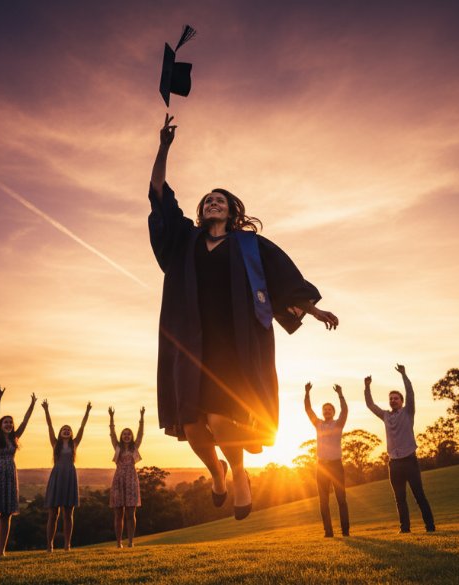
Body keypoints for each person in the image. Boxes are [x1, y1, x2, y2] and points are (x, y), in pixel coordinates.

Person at [148, 114, 340, 520]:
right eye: (207, 200)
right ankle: (215, 471)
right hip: (190, 341)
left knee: (219, 417)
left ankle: (237, 473)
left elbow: (285, 278)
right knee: (193, 425)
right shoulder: (185, 240)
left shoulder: (250, 246)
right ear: (201, 212)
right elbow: (160, 197)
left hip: (233, 345)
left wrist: (313, 308)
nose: (212, 202)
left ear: (233, 210)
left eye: (220, 199)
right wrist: (163, 148)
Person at [364, 364, 436, 533]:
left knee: (419, 496)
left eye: (396, 398)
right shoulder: (385, 416)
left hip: (410, 461)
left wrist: (404, 375)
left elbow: (410, 392)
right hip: (394, 464)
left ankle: (430, 527)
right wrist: (367, 387)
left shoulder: (408, 412)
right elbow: (370, 405)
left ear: (402, 402)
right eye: (391, 398)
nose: (393, 400)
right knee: (399, 498)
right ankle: (404, 529)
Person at [0, 384, 36, 557]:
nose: (9, 424)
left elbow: (26, 421)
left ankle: (1, 551)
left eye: (11, 422)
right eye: (6, 422)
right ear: (1, 425)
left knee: (6, 516)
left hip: (10, 478)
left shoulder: (15, 438)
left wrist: (32, 404)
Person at [42, 400, 91, 551]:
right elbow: (49, 426)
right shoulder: (55, 443)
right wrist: (46, 410)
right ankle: (50, 545)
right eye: (64, 429)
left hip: (70, 477)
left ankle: (67, 544)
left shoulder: (74, 444)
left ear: (71, 433)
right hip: (57, 477)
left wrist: (87, 411)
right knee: (53, 514)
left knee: (68, 514)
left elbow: (82, 427)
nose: (66, 430)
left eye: (68, 429)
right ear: (60, 432)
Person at [304, 382, 349, 537]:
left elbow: (345, 410)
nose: (327, 411)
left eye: (330, 409)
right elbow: (308, 410)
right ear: (322, 413)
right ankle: (328, 532)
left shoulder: (339, 424)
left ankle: (345, 532)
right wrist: (307, 393)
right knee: (323, 502)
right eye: (325, 410)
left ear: (333, 412)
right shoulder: (319, 425)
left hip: (336, 466)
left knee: (341, 500)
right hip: (322, 467)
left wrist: (340, 394)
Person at [108, 406, 145, 548]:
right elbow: (112, 434)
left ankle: (130, 542)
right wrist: (111, 417)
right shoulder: (117, 447)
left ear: (132, 436)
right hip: (118, 480)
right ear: (121, 436)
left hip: (131, 480)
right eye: (124, 434)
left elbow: (141, 434)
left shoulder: (135, 447)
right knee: (118, 514)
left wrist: (141, 418)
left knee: (131, 513)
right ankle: (118, 543)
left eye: (129, 434)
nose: (127, 435)